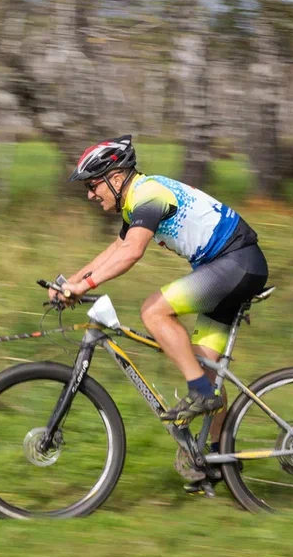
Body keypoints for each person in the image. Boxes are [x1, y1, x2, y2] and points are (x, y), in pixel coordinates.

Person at [52, 135, 269, 483]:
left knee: (153, 310)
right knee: (205, 368)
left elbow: (131, 252)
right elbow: (118, 246)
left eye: (94, 186)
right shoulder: (135, 200)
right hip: (230, 267)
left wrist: (83, 286)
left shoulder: (148, 193)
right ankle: (217, 456)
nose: (91, 195)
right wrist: (70, 280)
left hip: (237, 264)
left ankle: (200, 394)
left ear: (117, 178)